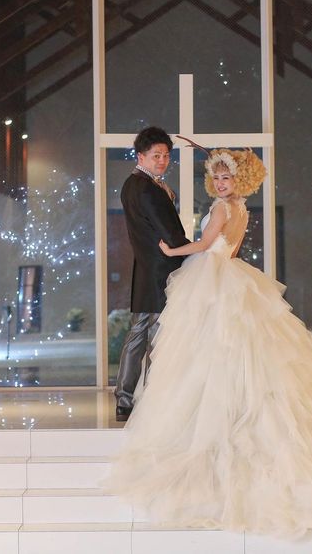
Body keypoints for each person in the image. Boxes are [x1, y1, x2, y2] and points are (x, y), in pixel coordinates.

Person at [105, 142, 312, 537]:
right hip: (230, 275)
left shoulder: (223, 208)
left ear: (238, 180)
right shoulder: (240, 208)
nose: (221, 183)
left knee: (212, 346)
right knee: (229, 348)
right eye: (217, 177)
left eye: (227, 177)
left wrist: (173, 249)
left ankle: (215, 412)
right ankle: (227, 404)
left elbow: (205, 246)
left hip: (212, 278)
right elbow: (228, 248)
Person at [114, 127, 189, 422]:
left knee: (137, 335)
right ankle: (153, 401)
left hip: (145, 269)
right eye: (156, 155)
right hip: (162, 272)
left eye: (166, 155)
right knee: (159, 338)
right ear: (141, 156)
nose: (162, 160)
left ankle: (124, 399)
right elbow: (170, 234)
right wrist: (196, 252)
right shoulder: (148, 189)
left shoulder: (131, 185)